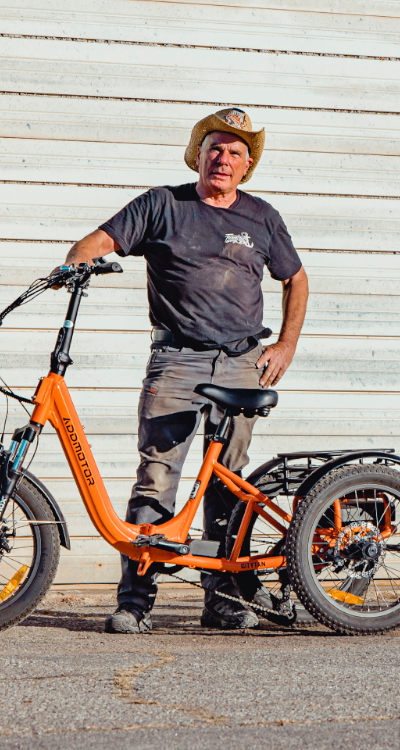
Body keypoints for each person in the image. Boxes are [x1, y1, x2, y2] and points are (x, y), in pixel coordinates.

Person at [59, 107, 309, 633]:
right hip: (176, 361)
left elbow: (296, 279)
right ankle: (135, 603)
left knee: (227, 485)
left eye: (236, 152)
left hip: (242, 363)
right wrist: (73, 264)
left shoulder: (262, 217)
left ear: (246, 165)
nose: (224, 159)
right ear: (199, 154)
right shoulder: (164, 204)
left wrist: (285, 345)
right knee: (157, 478)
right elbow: (99, 241)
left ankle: (222, 601)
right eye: (216, 148)